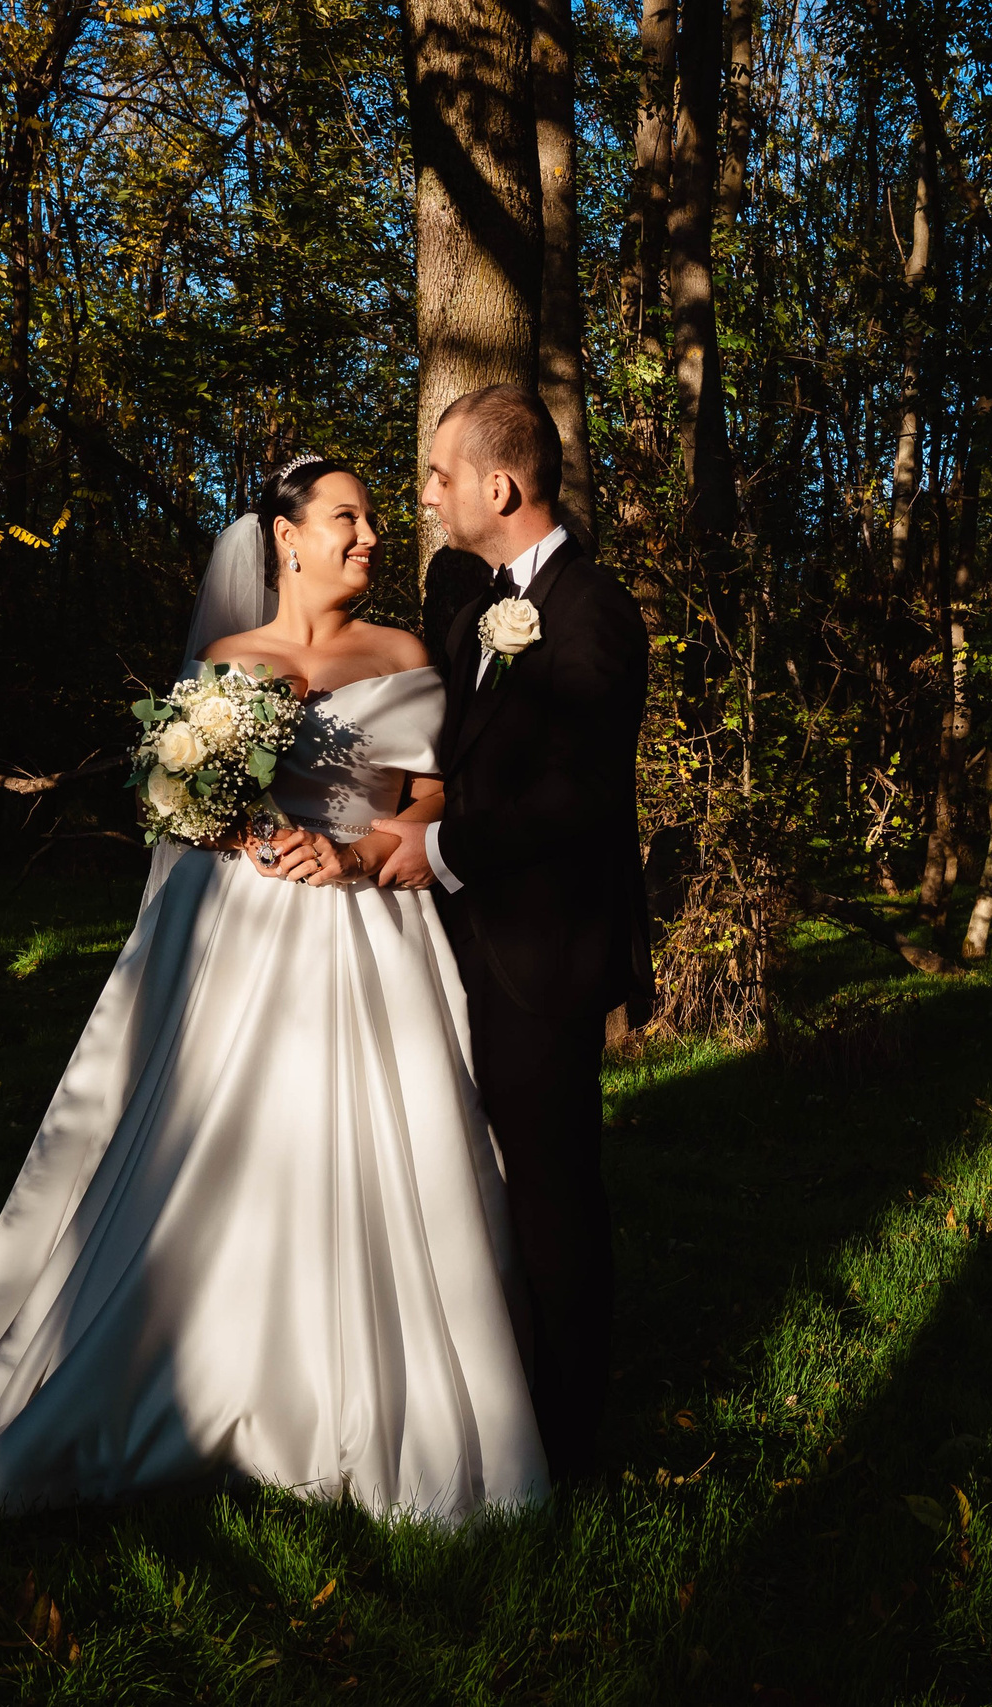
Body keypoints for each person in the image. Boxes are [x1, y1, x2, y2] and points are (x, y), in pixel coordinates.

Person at [0, 460, 548, 1522]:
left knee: (381, 1144)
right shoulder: (225, 663)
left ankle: (375, 1402)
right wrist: (222, 819)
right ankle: (191, 1372)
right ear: (286, 538)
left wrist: (355, 848)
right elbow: (179, 807)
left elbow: (434, 801)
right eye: (347, 518)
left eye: (374, 520)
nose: (371, 536)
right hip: (242, 935)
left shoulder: (402, 654)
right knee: (214, 1143)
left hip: (369, 929)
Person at [371, 384, 653, 1481]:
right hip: (457, 947)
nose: (427, 496)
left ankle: (566, 1446)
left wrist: (438, 850)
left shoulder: (593, 612)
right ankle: (491, 1400)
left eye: (441, 476)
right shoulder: (471, 606)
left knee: (551, 1195)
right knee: (474, 1184)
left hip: (544, 955)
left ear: (499, 487)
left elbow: (577, 795)